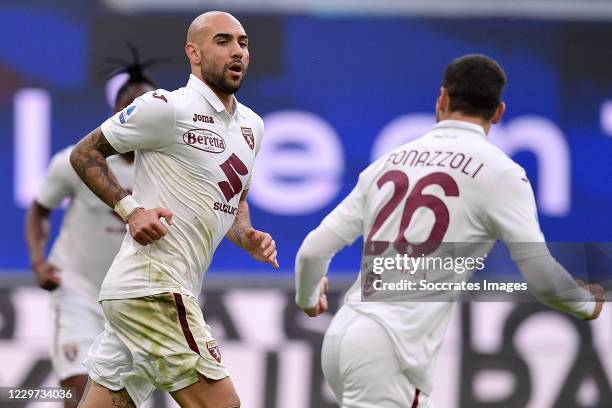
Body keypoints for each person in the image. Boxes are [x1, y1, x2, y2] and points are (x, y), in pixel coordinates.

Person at [294, 54, 605, 408]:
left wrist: (308, 298)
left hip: (343, 337)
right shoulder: (501, 173)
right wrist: (585, 302)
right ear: (499, 112)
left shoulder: (389, 162)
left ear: (442, 98)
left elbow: (313, 250)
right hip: (391, 349)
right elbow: (542, 278)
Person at [69, 11, 277, 408]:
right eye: (223, 41)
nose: (237, 51)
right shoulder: (165, 107)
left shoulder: (253, 126)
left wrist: (245, 235)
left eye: (243, 42)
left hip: (146, 293)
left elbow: (236, 202)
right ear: (193, 53)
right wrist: (131, 210)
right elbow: (84, 153)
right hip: (153, 288)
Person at [24, 54, 158, 408]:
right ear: (117, 113)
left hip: (133, 304)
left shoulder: (167, 171)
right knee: (79, 396)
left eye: (148, 108)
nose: (139, 116)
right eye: (132, 107)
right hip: (77, 292)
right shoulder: (78, 161)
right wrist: (38, 262)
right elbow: (39, 210)